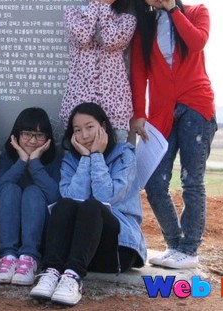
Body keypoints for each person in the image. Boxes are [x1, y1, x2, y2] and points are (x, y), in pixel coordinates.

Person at [130, 0, 217, 269]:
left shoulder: (196, 12)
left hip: (196, 106)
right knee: (154, 182)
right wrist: (138, 114)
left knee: (192, 181)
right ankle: (175, 244)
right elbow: (139, 73)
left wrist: (174, 10)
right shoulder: (145, 29)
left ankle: (189, 250)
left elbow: (196, 42)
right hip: (161, 113)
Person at [30, 102, 146, 307]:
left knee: (92, 206)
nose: (84, 135)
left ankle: (73, 278)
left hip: (116, 250)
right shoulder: (70, 160)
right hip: (77, 250)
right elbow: (74, 197)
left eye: (90, 127)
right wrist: (85, 158)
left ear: (103, 126)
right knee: (64, 204)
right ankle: (51, 272)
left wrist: (97, 156)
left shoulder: (124, 155)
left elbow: (106, 197)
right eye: (77, 130)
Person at [59, 0, 136, 142]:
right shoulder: (73, 13)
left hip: (114, 106)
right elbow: (82, 37)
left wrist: (104, 7)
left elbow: (110, 41)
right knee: (77, 156)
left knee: (116, 157)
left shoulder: (126, 20)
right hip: (78, 102)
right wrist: (95, 5)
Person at [0, 108, 61, 286]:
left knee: (33, 191)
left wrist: (35, 162)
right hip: (9, 228)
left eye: (39, 135)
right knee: (9, 189)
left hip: (41, 230)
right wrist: (21, 162)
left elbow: (55, 196)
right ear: (17, 135)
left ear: (48, 138)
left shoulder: (54, 157)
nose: (32, 141)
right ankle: (8, 257)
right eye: (27, 134)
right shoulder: (8, 155)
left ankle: (29, 259)